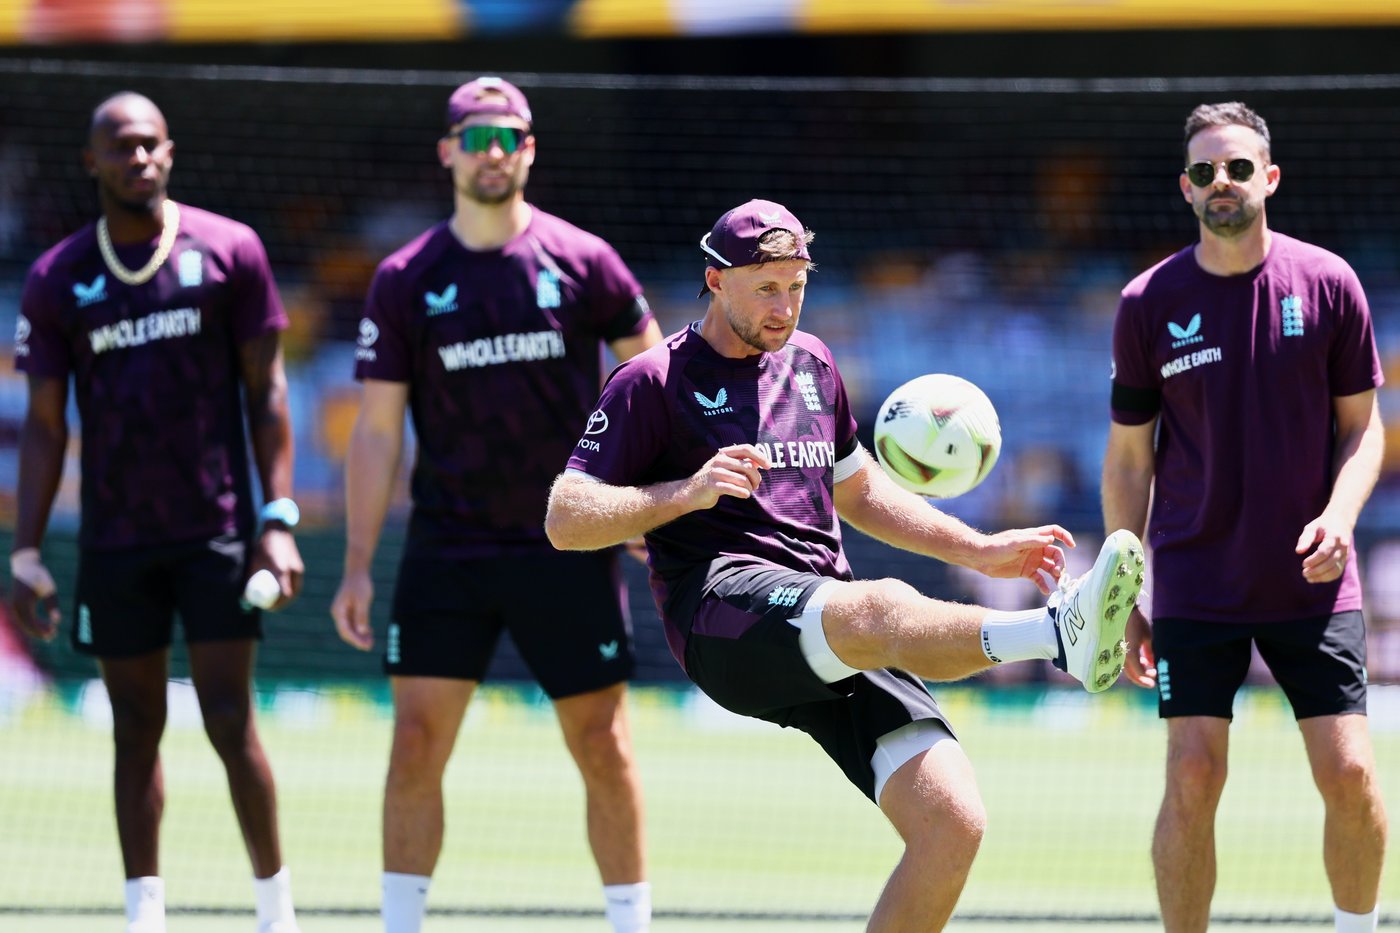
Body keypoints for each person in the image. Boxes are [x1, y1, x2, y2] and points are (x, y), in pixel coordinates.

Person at [545, 198, 1146, 929]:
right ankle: (1059, 636)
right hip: (723, 615)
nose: (785, 304)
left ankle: (1059, 635)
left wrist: (979, 548)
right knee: (880, 607)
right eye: (766, 285)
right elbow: (566, 518)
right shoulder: (650, 381)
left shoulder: (814, 364)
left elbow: (860, 493)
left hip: (827, 619)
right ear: (716, 279)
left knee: (952, 823)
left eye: (797, 284)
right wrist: (687, 490)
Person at [329, 76, 662, 933]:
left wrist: (643, 509)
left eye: (506, 136)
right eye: (474, 137)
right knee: (413, 744)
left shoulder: (585, 261)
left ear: (529, 150)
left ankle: (632, 923)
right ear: (447, 151)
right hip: (449, 548)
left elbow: (658, 382)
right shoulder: (406, 278)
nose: (490, 152)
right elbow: (375, 433)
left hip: (567, 542)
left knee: (604, 744)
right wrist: (358, 563)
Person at [9, 92, 304, 933]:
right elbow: (42, 423)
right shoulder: (59, 277)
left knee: (228, 720)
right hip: (115, 541)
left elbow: (268, 393)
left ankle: (275, 910)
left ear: (170, 152)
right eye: (120, 148)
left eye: (150, 146)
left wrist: (276, 518)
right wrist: (27, 553)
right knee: (134, 727)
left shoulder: (230, 251)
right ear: (91, 163)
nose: (138, 159)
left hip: (216, 534)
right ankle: (146, 915)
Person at [1102, 101, 1389, 932]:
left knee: (1352, 776)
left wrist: (1339, 516)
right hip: (1195, 578)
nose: (1220, 182)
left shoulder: (1330, 282)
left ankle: (1357, 929)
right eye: (1203, 172)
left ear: (1269, 176)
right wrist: (1124, 592)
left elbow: (1363, 428)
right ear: (1185, 190)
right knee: (1193, 772)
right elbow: (1127, 459)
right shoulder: (1146, 302)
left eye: (1236, 167)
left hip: (1313, 576)